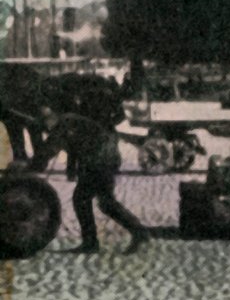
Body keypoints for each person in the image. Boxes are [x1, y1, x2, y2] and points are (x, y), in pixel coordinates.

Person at [29, 108, 149, 255]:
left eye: (45, 123)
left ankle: (91, 242)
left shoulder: (63, 124)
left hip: (99, 161)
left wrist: (32, 167)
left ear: (51, 117)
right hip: (105, 158)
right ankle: (137, 232)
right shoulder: (69, 120)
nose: (47, 128)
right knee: (105, 203)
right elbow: (72, 147)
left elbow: (50, 147)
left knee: (82, 199)